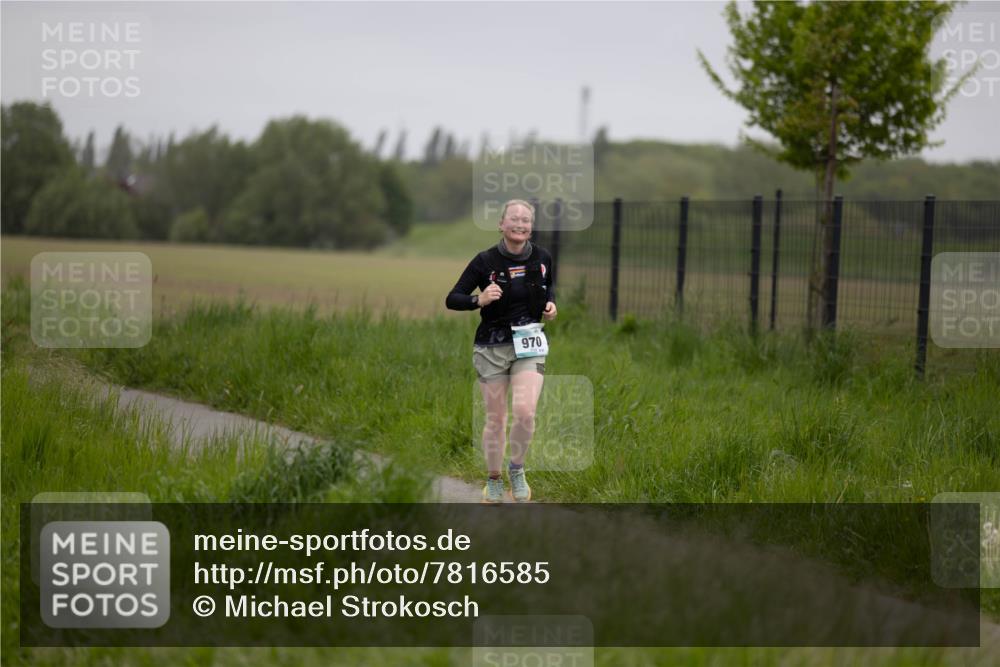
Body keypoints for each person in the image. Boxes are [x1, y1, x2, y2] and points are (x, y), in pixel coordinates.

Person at [445, 199, 557, 503]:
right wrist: (478, 301)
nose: (520, 224)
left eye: (525, 220)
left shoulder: (543, 257)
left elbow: (549, 290)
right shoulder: (485, 261)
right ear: (501, 224)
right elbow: (453, 298)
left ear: (531, 227)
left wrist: (551, 306)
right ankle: (494, 480)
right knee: (495, 419)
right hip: (491, 347)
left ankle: (517, 470)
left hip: (529, 345)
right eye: (514, 219)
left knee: (525, 413)